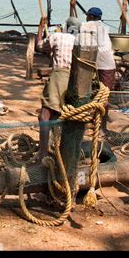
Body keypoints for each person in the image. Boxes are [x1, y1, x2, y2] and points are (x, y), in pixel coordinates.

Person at [37, 17, 81, 160]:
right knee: (59, 114)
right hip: (75, 80)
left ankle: (43, 152)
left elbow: (39, 46)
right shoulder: (80, 41)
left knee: (45, 115)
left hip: (60, 76)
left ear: (65, 27)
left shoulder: (57, 37)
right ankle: (59, 150)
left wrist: (40, 28)